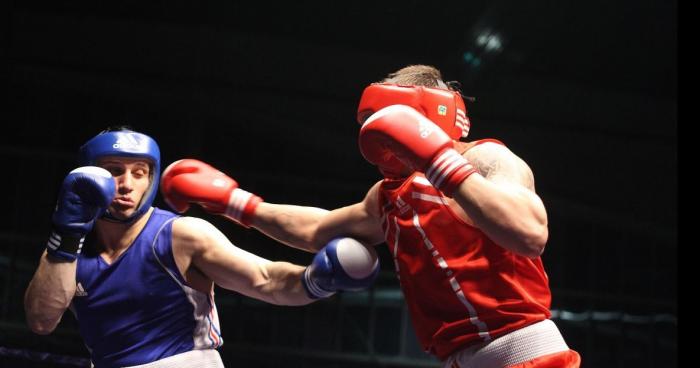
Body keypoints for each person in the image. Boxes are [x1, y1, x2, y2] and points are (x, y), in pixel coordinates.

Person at [160, 65, 581, 368]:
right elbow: (316, 230)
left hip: (529, 354)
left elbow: (530, 233)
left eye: (383, 125)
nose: (376, 143)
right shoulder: (390, 196)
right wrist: (234, 202)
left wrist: (439, 162)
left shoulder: (487, 159)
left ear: (426, 121)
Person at [24, 127, 379, 368]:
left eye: (140, 172)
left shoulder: (181, 235)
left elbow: (264, 278)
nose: (127, 184)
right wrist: (66, 235)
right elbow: (41, 320)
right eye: (114, 170)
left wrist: (316, 279)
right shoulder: (69, 250)